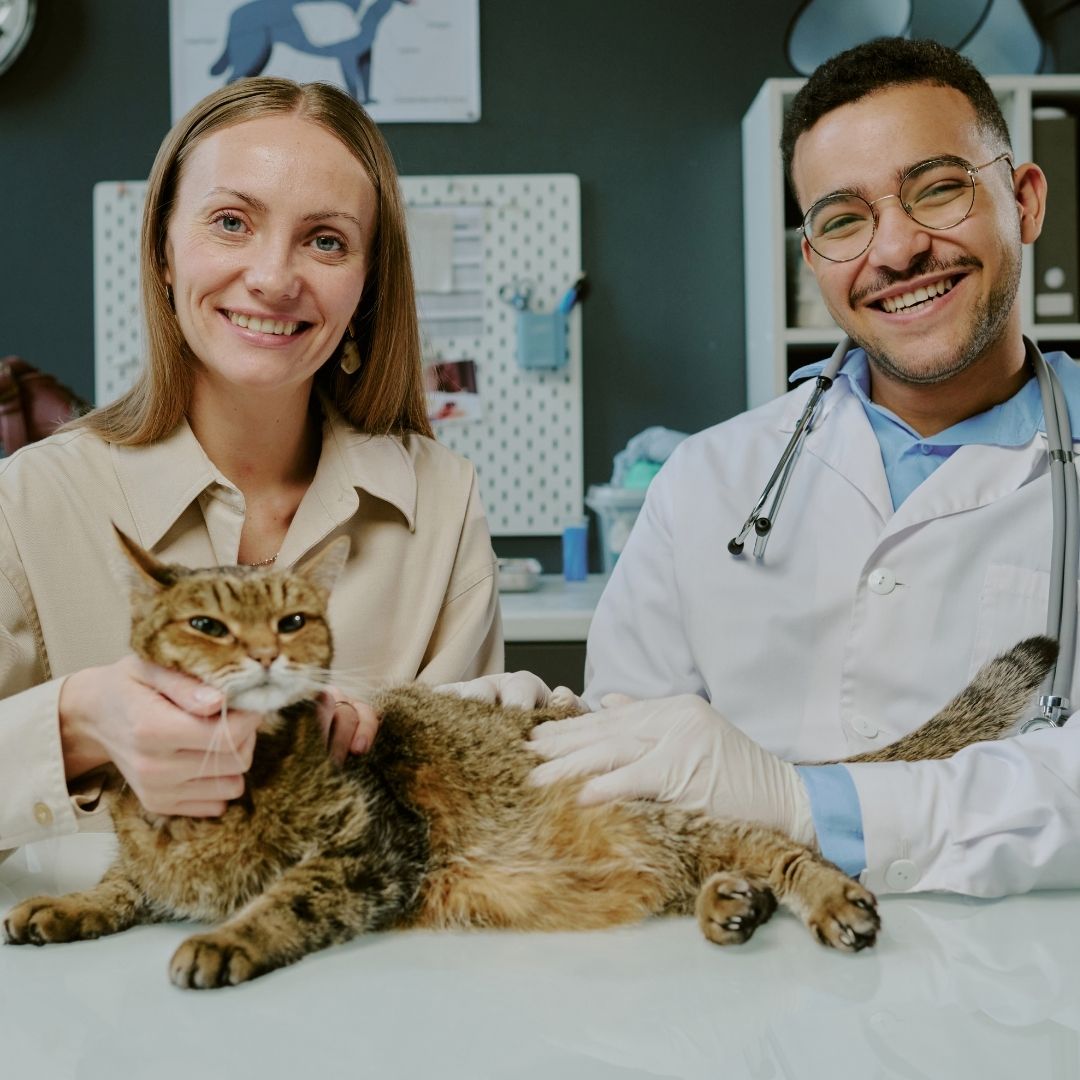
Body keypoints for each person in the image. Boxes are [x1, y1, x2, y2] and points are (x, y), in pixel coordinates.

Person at [446, 37, 1080, 898]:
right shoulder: (706, 482)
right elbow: (642, 757)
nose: (894, 250)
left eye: (937, 190)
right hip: (750, 984)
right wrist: (550, 734)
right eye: (843, 219)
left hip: (1026, 993)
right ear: (813, 257)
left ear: (1026, 199)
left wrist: (804, 801)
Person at [0, 78, 501, 857]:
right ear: (164, 250)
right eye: (231, 222)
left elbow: (467, 817)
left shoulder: (440, 502)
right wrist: (74, 724)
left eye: (326, 240)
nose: (273, 277)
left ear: (365, 285)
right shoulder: (27, 503)